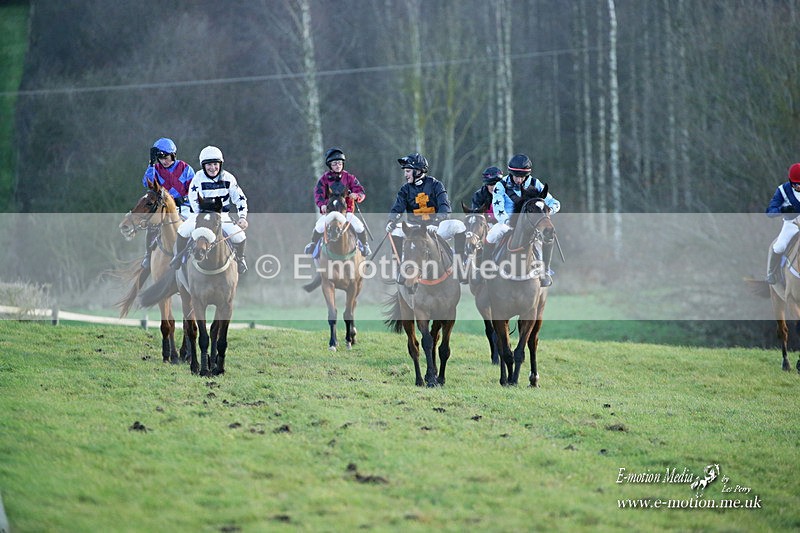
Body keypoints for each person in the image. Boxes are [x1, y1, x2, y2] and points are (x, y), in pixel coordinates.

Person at [385, 152, 465, 279]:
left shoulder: (436, 185)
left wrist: (436, 222)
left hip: (435, 228)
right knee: (395, 231)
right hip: (414, 228)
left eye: (407, 171)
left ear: (417, 171)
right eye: (405, 171)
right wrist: (391, 221)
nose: (405, 175)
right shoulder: (405, 189)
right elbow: (398, 207)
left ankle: (461, 265)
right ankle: (399, 270)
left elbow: (445, 207)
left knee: (459, 225)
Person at [171, 146, 249, 274]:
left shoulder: (228, 178)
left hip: (222, 216)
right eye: (209, 165)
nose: (212, 168)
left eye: (215, 164)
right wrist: (202, 215)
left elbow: (240, 198)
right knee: (183, 230)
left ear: (220, 164)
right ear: (203, 166)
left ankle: (240, 259)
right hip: (201, 215)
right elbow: (193, 198)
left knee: (240, 236)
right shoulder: (198, 178)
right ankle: (178, 257)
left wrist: (242, 217)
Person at [487, 154, 561, 286]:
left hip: (530, 224)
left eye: (522, 177)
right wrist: (507, 221)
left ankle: (545, 271)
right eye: (517, 176)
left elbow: (555, 203)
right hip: (507, 223)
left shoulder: (535, 183)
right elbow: (498, 209)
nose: (519, 180)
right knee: (491, 236)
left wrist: (546, 212)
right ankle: (484, 270)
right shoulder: (501, 185)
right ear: (511, 173)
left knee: (548, 236)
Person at [140, 137, 195, 270]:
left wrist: (185, 200)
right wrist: (151, 165)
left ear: (173, 155)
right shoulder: (156, 169)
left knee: (192, 226)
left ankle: (193, 254)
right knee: (152, 226)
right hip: (163, 208)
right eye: (160, 157)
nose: (164, 161)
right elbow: (146, 183)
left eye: (166, 157)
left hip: (184, 206)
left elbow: (194, 189)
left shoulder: (185, 168)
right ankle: (148, 255)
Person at [305, 148, 371, 257]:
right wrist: (322, 205)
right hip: (330, 213)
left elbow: (361, 191)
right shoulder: (324, 179)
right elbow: (318, 194)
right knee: (319, 226)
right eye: (335, 163)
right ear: (330, 165)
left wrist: (357, 196)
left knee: (359, 226)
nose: (338, 165)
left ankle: (365, 246)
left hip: (347, 213)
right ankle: (313, 245)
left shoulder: (350, 178)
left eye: (340, 163)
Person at [765, 163, 800, 284]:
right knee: (779, 246)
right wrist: (782, 210)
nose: (798, 186)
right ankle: (772, 272)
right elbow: (770, 212)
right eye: (795, 184)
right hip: (792, 224)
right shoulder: (782, 190)